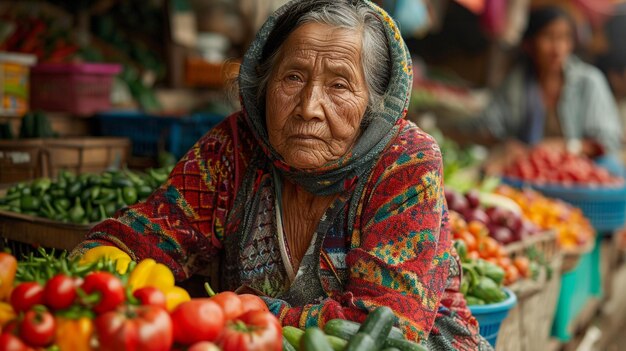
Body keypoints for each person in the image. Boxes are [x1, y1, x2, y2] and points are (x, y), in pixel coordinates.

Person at [73, 0, 489, 349]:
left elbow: (383, 325)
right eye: (293, 77)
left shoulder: (406, 163)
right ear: (264, 84)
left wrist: (237, 309)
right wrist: (95, 271)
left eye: (340, 85)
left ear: (374, 105)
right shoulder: (236, 146)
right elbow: (150, 232)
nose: (309, 106)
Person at [469, 6, 623, 175]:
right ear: (530, 44)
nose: (558, 48)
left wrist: (567, 147)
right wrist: (508, 146)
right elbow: (486, 128)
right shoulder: (516, 83)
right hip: (533, 171)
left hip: (578, 171)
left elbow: (607, 142)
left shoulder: (589, 81)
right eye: (548, 37)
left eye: (565, 38)